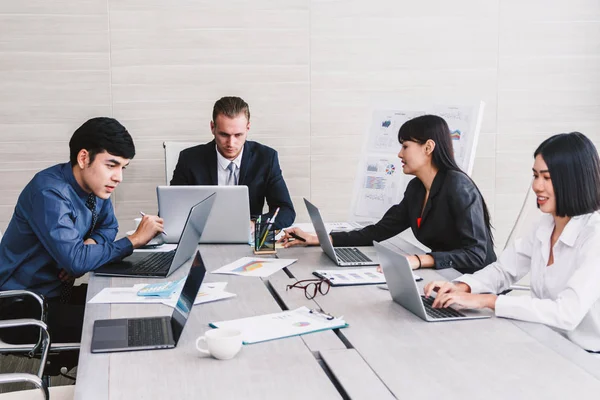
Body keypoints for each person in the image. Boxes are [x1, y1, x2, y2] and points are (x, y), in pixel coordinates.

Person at [425, 132, 600, 352]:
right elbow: (503, 270)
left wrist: (487, 301)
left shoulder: (595, 236)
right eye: (535, 175)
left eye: (546, 178)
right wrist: (462, 286)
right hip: (546, 343)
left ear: (573, 181)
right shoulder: (545, 225)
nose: (536, 186)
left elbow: (566, 313)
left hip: (587, 359)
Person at [0, 117, 164, 346]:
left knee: (132, 304)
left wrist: (91, 244)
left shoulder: (95, 187)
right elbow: (77, 262)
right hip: (20, 306)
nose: (119, 177)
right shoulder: (49, 192)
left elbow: (108, 226)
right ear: (84, 157)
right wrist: (134, 240)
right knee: (122, 325)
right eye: (111, 165)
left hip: (56, 295)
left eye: (122, 168)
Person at [280, 114, 495, 274]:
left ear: (428, 147)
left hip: (476, 285)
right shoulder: (416, 189)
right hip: (446, 278)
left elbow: (476, 254)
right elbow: (378, 231)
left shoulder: (458, 186)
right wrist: (317, 238)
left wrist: (420, 260)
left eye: (405, 146)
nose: (399, 153)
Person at [170, 96, 295, 229]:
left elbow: (286, 211)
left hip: (247, 238)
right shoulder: (189, 159)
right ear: (212, 128)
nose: (231, 143)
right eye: (224, 135)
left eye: (238, 135)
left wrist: (254, 225)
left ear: (248, 128)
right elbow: (172, 210)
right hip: (201, 236)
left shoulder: (266, 158)